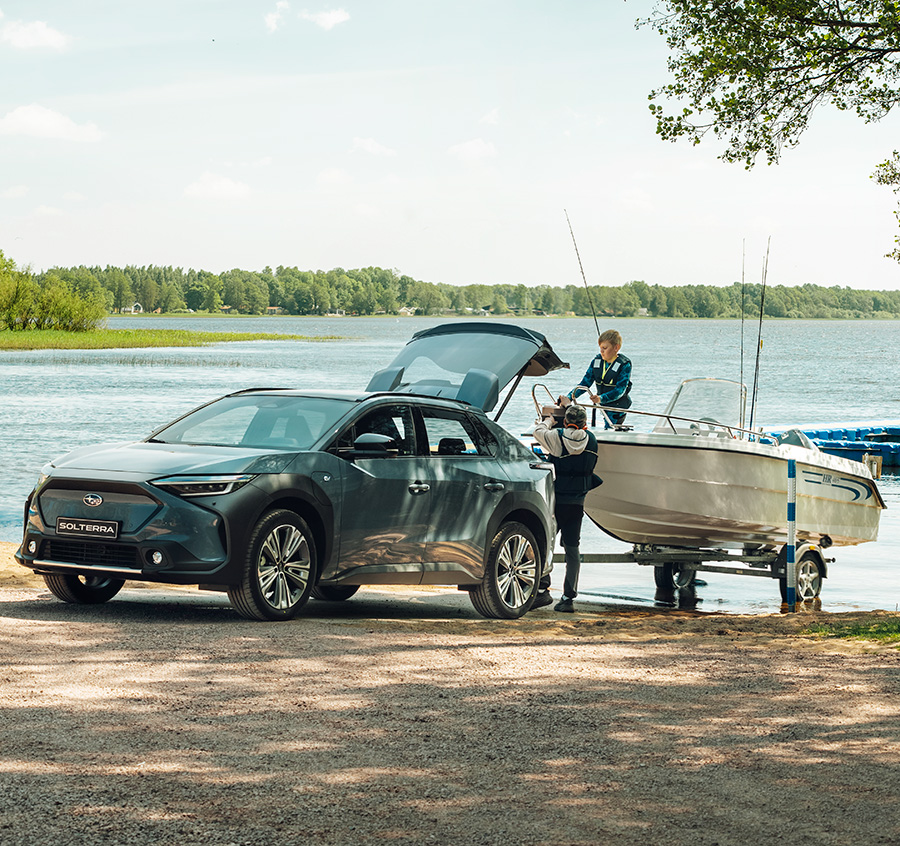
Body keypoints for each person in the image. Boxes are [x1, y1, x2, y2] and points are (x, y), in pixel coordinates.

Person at [531, 403, 600, 613]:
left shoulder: (556, 437)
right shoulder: (592, 440)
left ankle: (542, 590)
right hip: (577, 503)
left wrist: (549, 421)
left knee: (545, 545)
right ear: (585, 423)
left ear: (566, 422)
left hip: (555, 503)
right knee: (572, 550)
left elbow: (537, 431)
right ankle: (568, 597)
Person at [566, 328, 632, 427]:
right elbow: (585, 383)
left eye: (605, 348)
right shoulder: (596, 361)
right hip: (603, 405)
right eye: (600, 348)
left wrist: (601, 398)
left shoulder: (624, 365)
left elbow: (620, 390)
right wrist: (569, 397)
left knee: (610, 427)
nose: (601, 351)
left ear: (616, 348)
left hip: (617, 407)